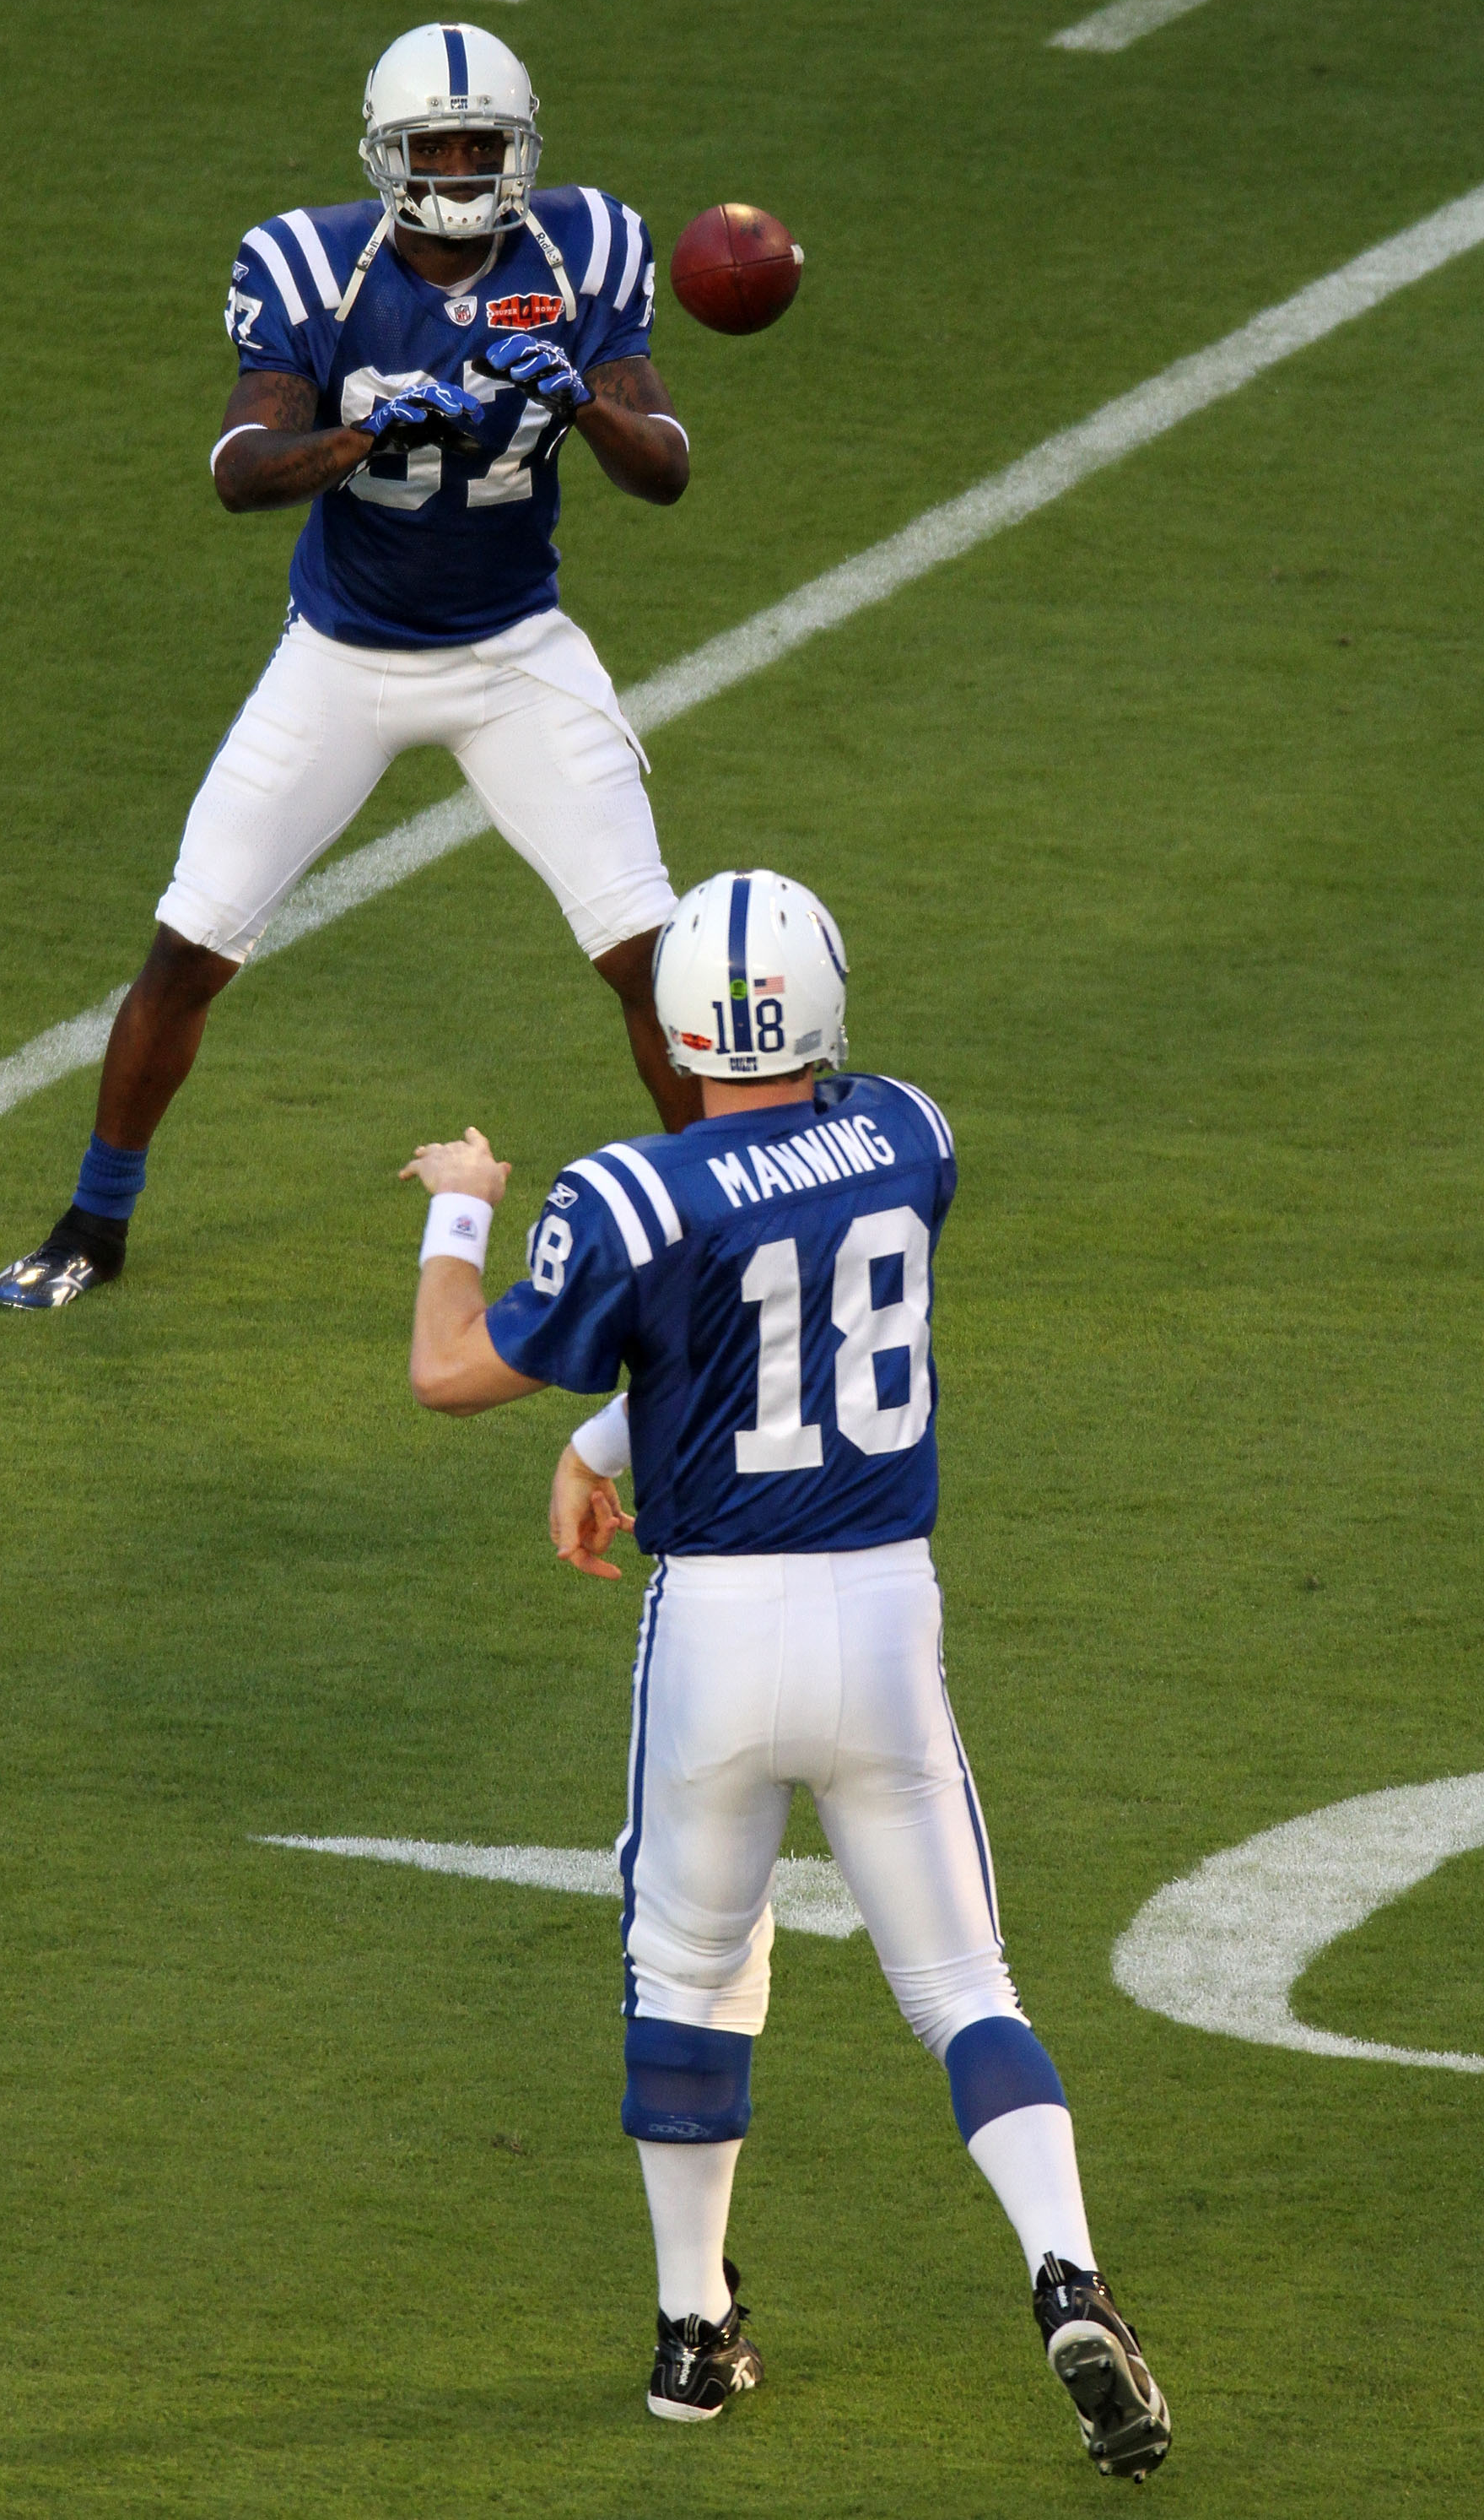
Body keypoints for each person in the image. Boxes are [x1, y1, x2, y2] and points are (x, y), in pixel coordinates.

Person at [398, 869, 1172, 2477]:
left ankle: (694, 2331)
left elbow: (448, 1370)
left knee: (687, 1972)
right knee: (968, 1990)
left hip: (719, 1632)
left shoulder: (634, 1192)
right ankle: (1064, 2272)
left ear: (680, 1026)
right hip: (885, 1618)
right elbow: (792, 1312)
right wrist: (610, 1432)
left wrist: (463, 1203)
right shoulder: (910, 1132)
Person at [0, 19, 694, 1311]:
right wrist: (364, 433)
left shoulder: (584, 244)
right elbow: (238, 472)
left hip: (515, 654)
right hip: (342, 659)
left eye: (487, 142)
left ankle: (729, 1207)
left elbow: (665, 467)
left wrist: (583, 399)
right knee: (190, 946)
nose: (469, 166)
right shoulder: (312, 264)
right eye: (441, 144)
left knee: (649, 953)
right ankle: (96, 1219)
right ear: (389, 153)